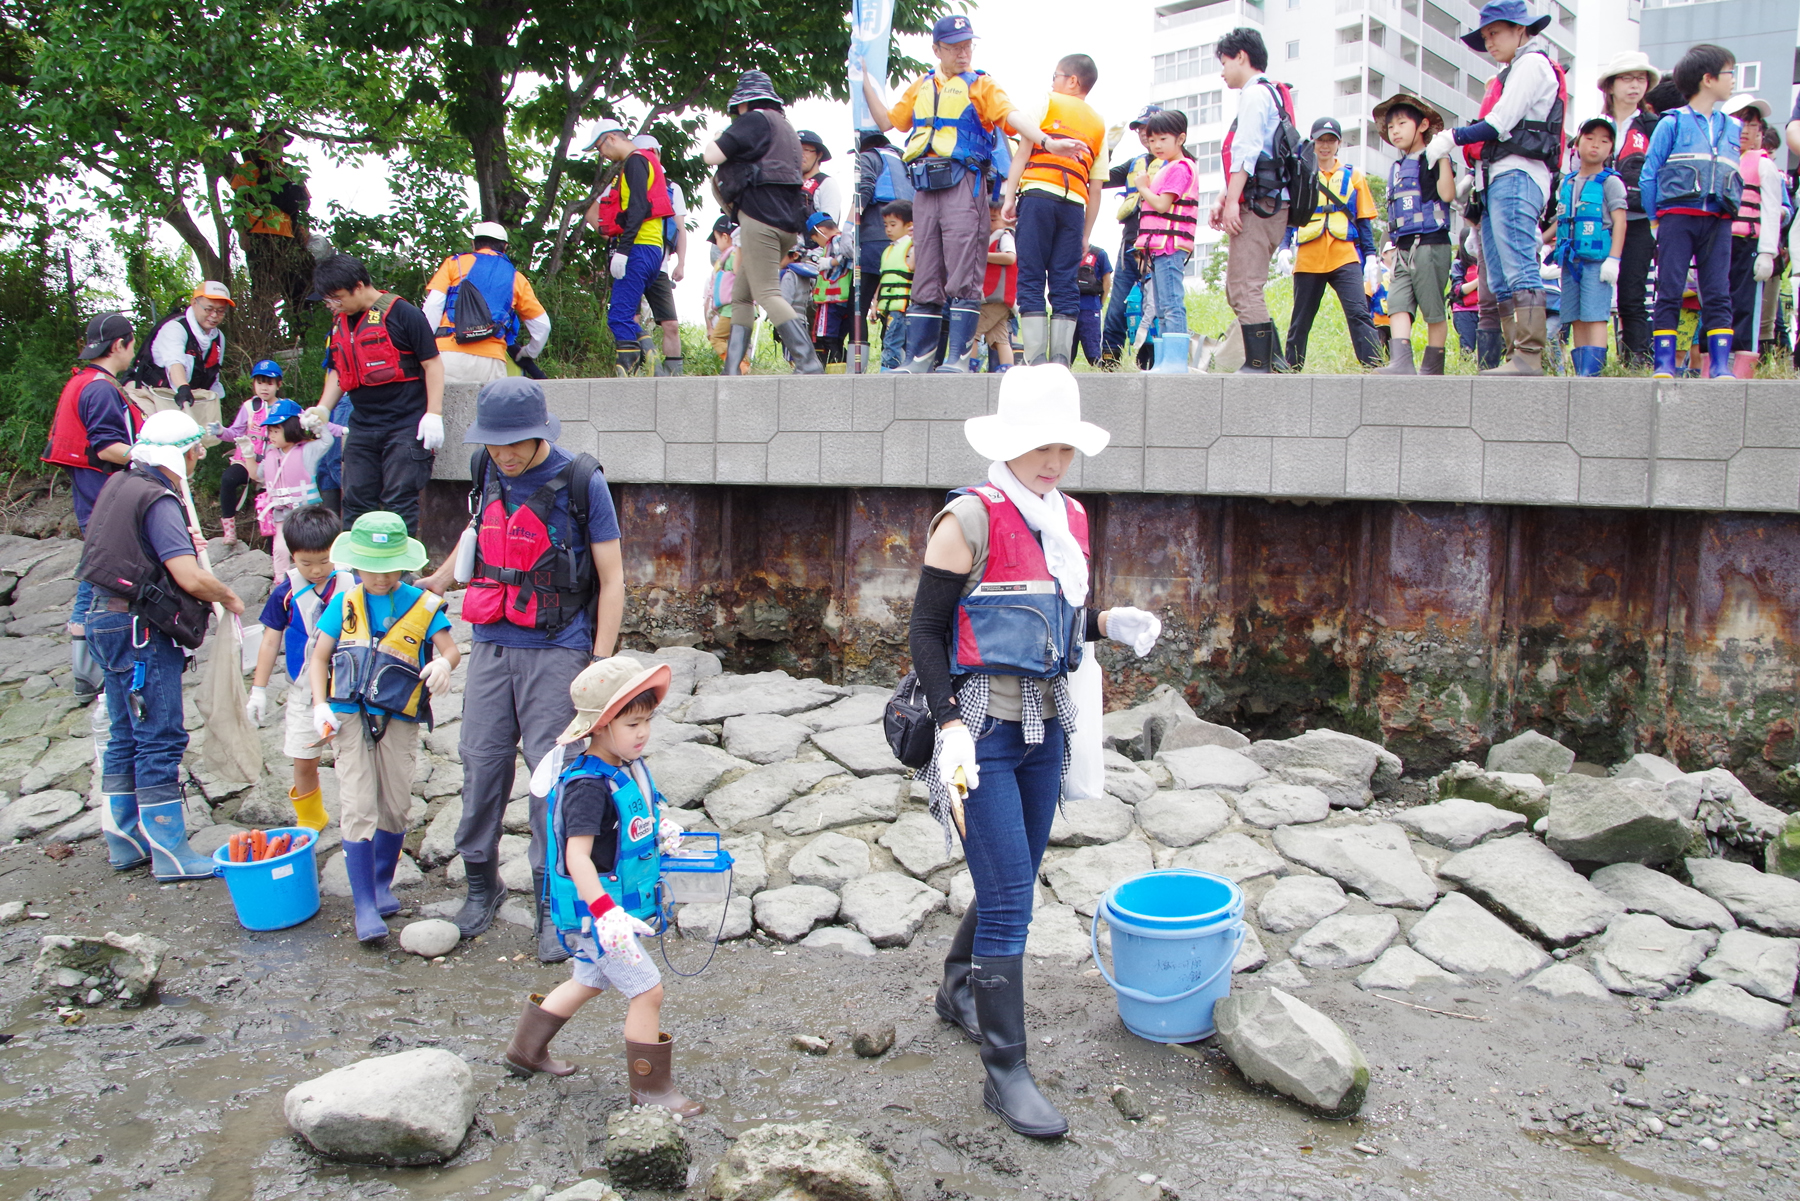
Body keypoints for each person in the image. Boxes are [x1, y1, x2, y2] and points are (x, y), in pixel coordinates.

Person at [906, 364, 1161, 1138]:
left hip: (1047, 726)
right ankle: (1005, 1072)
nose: (1051, 461)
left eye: (1063, 448)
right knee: (1013, 897)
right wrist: (948, 722)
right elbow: (926, 632)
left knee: (1012, 872)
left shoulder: (1069, 519)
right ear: (1009, 442)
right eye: (1038, 446)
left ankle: (957, 986)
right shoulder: (968, 519)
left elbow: (1052, 627)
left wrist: (1106, 621)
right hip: (978, 729)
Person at [418, 379, 624, 959]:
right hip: (490, 642)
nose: (505, 453)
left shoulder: (584, 481)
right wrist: (438, 581)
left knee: (549, 780)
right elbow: (480, 532)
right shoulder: (486, 469)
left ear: (540, 432)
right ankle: (481, 885)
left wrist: (600, 666)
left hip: (559, 647)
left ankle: (551, 903)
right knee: (480, 763)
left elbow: (612, 579)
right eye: (495, 443)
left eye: (515, 443)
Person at [500, 656, 700, 1116]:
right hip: (599, 918)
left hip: (605, 916)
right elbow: (576, 857)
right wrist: (606, 912)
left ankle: (524, 1053)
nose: (642, 732)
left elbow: (629, 827)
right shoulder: (588, 785)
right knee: (648, 991)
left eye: (647, 720)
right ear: (601, 725)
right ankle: (651, 1092)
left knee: (587, 980)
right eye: (632, 723)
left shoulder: (627, 767)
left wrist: (660, 830)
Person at [860, 14, 1089, 374]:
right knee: (925, 269)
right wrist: (865, 85)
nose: (963, 53)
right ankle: (918, 357)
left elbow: (1012, 117)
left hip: (963, 184)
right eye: (954, 47)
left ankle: (959, 357)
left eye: (967, 45)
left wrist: (1047, 141)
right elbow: (889, 122)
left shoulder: (982, 86)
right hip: (924, 187)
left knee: (964, 270)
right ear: (937, 49)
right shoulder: (921, 86)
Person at [79, 410, 244, 880]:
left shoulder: (120, 484)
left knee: (124, 732)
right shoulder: (159, 498)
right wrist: (229, 597)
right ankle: (171, 852)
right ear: (182, 452)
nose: (197, 458)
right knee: (159, 735)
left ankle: (124, 840)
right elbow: (187, 575)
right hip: (140, 633)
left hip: (103, 621)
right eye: (195, 450)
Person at [310, 512, 458, 942]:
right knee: (358, 804)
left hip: (398, 714)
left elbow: (451, 650)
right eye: (371, 567)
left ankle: (380, 885)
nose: (380, 576)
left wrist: (442, 665)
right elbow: (319, 656)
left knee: (395, 805)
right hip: (348, 714)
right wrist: (319, 704)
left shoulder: (424, 603)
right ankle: (364, 906)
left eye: (390, 566)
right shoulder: (344, 602)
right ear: (355, 564)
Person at [1429, 1, 1566, 376]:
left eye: (1496, 32)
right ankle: (1515, 354)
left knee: (1520, 265)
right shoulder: (1513, 69)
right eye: (1486, 35)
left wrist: (1451, 137)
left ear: (1521, 30)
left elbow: (1500, 123)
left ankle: (1529, 355)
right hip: (1497, 179)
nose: (1489, 42)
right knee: (1501, 276)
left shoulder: (1533, 64)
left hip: (1518, 176)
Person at [42, 312, 141, 703]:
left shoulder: (83, 382)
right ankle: (92, 670)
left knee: (95, 575)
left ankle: (88, 671)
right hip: (105, 498)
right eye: (132, 344)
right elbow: (105, 447)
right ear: (119, 345)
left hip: (92, 497)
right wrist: (152, 454)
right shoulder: (100, 389)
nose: (133, 351)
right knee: (102, 578)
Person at [308, 253, 444, 536]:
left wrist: (434, 413)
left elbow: (432, 364)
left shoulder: (404, 314)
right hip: (362, 426)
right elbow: (338, 368)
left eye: (337, 297)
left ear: (358, 286)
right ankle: (356, 574)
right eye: (328, 300)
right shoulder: (340, 324)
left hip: (405, 425)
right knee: (355, 500)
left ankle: (399, 573)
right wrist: (322, 409)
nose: (333, 305)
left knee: (399, 501)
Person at [703, 72, 820, 376]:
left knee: (768, 293)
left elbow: (710, 156)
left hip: (759, 219)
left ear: (743, 103)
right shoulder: (786, 128)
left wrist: (718, 137)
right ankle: (732, 369)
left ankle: (808, 363)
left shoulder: (754, 120)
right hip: (786, 223)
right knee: (742, 295)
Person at [246, 505, 352, 834]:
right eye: (306, 563)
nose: (317, 570)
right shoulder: (285, 593)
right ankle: (310, 817)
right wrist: (258, 691)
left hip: (348, 688)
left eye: (324, 560)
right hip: (304, 690)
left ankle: (357, 816)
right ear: (292, 556)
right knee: (302, 757)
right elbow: (268, 642)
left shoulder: (354, 585)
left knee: (353, 760)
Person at [1640, 43, 1741, 380]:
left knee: (1717, 292)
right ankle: (1665, 364)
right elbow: (1649, 173)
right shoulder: (1672, 123)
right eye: (1730, 73)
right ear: (1708, 79)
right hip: (1677, 217)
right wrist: (1655, 217)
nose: (1733, 81)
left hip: (1718, 219)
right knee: (1669, 289)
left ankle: (1720, 365)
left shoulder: (1732, 127)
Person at [1000, 54, 1105, 366]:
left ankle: (1035, 361)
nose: (1053, 81)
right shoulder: (1099, 124)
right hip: (1074, 206)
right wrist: (1086, 234)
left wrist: (1008, 198)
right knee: (1064, 281)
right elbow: (1096, 188)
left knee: (1031, 276)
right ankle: (1060, 362)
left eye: (1056, 75)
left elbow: (1022, 153)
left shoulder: (1047, 102)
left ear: (1072, 80)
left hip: (1037, 198)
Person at [1213, 27, 1294, 373]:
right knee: (1238, 288)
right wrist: (1225, 196)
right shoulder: (1270, 95)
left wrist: (1233, 202)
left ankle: (1260, 365)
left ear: (1242, 57)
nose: (1222, 70)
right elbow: (1254, 155)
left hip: (1260, 206)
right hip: (1267, 202)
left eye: (1225, 61)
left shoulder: (1255, 95)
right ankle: (1273, 362)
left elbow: (1246, 152)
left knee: (1246, 288)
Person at [1286, 116, 1383, 372]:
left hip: (1344, 255)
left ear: (1338, 144)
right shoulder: (1302, 174)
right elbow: (1290, 216)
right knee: (1301, 320)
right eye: (1321, 140)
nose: (1325, 146)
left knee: (1359, 312)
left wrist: (1371, 256)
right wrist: (1285, 247)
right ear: (1313, 142)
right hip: (1309, 256)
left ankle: (1374, 366)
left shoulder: (1353, 176)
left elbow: (1363, 220)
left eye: (1331, 140)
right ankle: (1290, 369)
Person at [1371, 95, 1457, 375]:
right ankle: (1401, 362)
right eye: (1391, 126)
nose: (1395, 130)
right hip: (1403, 248)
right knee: (1396, 302)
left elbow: (1447, 195)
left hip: (1431, 244)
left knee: (1433, 309)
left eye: (1402, 123)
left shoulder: (1433, 159)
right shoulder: (1397, 168)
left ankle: (1433, 368)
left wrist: (1443, 157)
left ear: (1422, 126)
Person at [585, 122, 679, 377]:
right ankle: (645, 355)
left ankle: (629, 369)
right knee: (624, 313)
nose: (601, 154)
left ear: (612, 138)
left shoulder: (635, 162)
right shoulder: (646, 162)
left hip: (638, 248)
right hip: (652, 250)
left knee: (619, 316)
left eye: (599, 147)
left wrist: (623, 250)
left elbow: (638, 208)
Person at [1595, 51, 1662, 367]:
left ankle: (1638, 359)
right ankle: (1592, 358)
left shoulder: (1654, 126)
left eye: (1640, 78)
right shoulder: (1596, 125)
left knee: (1633, 293)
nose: (1634, 85)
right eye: (1626, 78)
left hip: (1638, 220)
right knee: (1592, 293)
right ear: (1610, 85)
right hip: (1597, 221)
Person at [424, 222, 551, 385]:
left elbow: (432, 307)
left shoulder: (453, 264)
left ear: (474, 244)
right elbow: (543, 326)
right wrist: (528, 352)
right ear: (505, 247)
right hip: (491, 360)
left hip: (448, 355)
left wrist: (425, 350)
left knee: (442, 410)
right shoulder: (516, 277)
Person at [1554, 118, 1628, 376]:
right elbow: (1562, 219)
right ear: (1577, 143)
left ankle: (1593, 375)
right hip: (1571, 260)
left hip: (1597, 260)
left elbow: (1620, 220)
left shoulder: (1611, 182)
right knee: (1575, 316)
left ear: (1611, 150)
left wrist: (1614, 260)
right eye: (1589, 137)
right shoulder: (1568, 182)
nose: (1596, 145)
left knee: (1595, 315)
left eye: (1604, 141)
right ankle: (1581, 374)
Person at [1135, 109, 1200, 373]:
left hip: (1170, 247)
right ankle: (1166, 361)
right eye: (1152, 140)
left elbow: (1162, 205)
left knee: (1171, 305)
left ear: (1180, 138)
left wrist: (1142, 187)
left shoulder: (1180, 167)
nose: (1157, 145)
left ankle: (1175, 363)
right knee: (1162, 307)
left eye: (1163, 139)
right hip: (1160, 247)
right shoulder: (1168, 167)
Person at [1099, 106, 1161, 369]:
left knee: (1155, 311)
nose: (1145, 134)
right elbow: (1099, 178)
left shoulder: (1178, 163)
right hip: (1130, 244)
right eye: (1140, 129)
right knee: (1116, 310)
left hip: (1160, 247)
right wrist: (1107, 150)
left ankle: (1155, 366)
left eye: (1150, 128)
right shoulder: (1134, 164)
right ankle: (1109, 366)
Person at [1723, 94, 1780, 375]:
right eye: (1739, 121)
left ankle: (1740, 372)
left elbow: (1771, 209)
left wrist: (1767, 252)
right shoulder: (1719, 158)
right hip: (1718, 243)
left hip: (1749, 245)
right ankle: (1715, 366)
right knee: (1716, 305)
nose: (1745, 129)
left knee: (1745, 307)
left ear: (1760, 131)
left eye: (1752, 124)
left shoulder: (1764, 165)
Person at [629, 134, 690, 377]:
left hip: (659, 265)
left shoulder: (672, 188)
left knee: (671, 324)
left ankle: (673, 376)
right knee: (629, 317)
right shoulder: (623, 182)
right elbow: (598, 215)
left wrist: (682, 262)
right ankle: (641, 367)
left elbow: (680, 227)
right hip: (630, 260)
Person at [256, 399, 340, 573]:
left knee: (314, 546)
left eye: (276, 431)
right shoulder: (271, 453)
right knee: (280, 549)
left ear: (291, 428)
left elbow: (327, 441)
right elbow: (257, 474)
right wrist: (249, 455)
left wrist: (317, 425)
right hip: (281, 512)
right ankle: (280, 582)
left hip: (307, 513)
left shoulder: (307, 451)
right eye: (270, 431)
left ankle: (328, 575)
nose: (271, 435)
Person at [212, 359, 284, 544]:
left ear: (278, 384)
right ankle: (229, 531)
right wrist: (221, 431)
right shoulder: (249, 406)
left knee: (270, 503)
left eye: (269, 383)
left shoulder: (285, 407)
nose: (264, 388)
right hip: (247, 459)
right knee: (228, 479)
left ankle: (273, 549)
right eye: (260, 382)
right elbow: (235, 432)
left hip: (273, 463)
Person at [127, 282, 233, 408]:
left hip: (188, 398)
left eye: (220, 311)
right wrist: (183, 387)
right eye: (208, 309)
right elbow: (174, 363)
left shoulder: (218, 337)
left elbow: (214, 374)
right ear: (194, 303)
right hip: (150, 394)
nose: (214, 315)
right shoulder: (175, 328)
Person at [853, 131, 915, 335]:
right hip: (906, 242)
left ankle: (857, 357)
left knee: (859, 306)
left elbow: (864, 188)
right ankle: (894, 354)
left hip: (873, 238)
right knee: (896, 301)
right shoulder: (906, 162)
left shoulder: (868, 157)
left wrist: (850, 224)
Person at [808, 213, 854, 366]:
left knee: (827, 336)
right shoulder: (844, 239)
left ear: (820, 231)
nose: (819, 245)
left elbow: (847, 256)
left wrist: (831, 262)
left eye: (816, 240)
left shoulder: (835, 240)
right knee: (837, 338)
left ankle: (834, 366)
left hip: (831, 299)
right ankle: (841, 364)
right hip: (842, 298)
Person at [874, 201, 915, 371]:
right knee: (893, 338)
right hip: (889, 306)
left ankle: (888, 370)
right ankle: (898, 369)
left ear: (909, 225)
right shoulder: (889, 250)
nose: (888, 229)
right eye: (886, 225)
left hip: (903, 306)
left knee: (892, 341)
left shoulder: (912, 246)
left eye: (893, 224)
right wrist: (876, 302)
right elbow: (883, 278)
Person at [979, 202, 1019, 371]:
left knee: (972, 330)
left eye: (993, 219)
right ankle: (1006, 368)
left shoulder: (1005, 236)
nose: (989, 223)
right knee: (1000, 337)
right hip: (996, 297)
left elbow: (1011, 257)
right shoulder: (991, 237)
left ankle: (970, 366)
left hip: (997, 296)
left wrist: (983, 255)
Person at [704, 218, 738, 360]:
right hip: (736, 308)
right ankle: (743, 367)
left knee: (716, 338)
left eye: (716, 239)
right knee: (738, 341)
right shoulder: (733, 255)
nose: (716, 245)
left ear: (725, 237)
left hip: (731, 309)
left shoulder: (731, 256)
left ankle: (739, 366)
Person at [798, 130, 846, 225]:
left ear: (819, 155)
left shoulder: (826, 183)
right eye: (796, 150)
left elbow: (829, 226)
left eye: (806, 150)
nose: (800, 154)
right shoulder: (789, 184)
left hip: (810, 239)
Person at [1074, 244, 1111, 366]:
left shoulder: (1099, 253)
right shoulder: (1065, 251)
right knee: (1066, 353)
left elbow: (1107, 281)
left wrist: (1100, 303)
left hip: (1090, 307)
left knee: (1093, 353)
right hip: (1069, 308)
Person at [1451, 231, 1482, 355]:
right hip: (1465, 312)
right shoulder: (1458, 264)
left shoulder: (1486, 262)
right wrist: (1480, 280)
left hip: (1485, 311)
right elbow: (1459, 290)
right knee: (1467, 350)